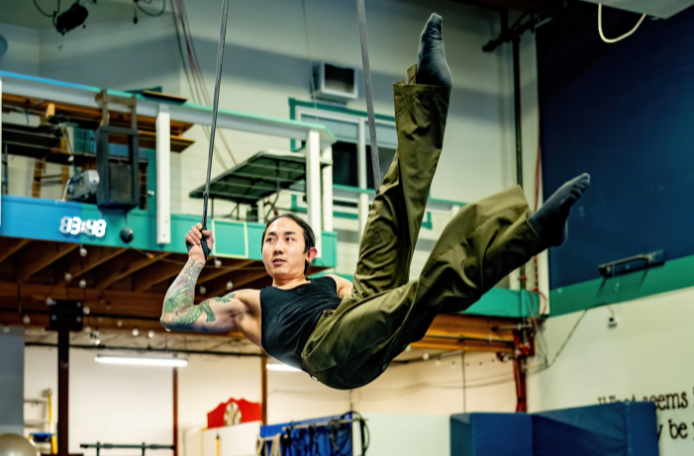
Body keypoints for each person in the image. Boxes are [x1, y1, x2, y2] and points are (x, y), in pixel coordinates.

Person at [160, 13, 590, 390]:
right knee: (422, 292)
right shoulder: (252, 304)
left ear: (310, 253)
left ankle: (427, 90)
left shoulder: (335, 284)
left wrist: (391, 312)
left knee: (390, 210)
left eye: (287, 238)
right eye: (270, 238)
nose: (275, 245)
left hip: (361, 331)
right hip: (326, 355)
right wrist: (196, 259)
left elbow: (371, 300)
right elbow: (173, 315)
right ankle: (532, 235)